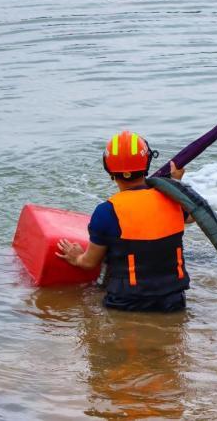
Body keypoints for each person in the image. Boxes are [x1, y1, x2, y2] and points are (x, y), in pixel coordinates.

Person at [56, 130, 192, 312]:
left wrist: (76, 257)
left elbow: (89, 263)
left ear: (109, 169)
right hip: (173, 301)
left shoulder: (106, 211)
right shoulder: (173, 200)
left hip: (126, 304)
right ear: (147, 163)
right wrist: (176, 185)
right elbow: (192, 216)